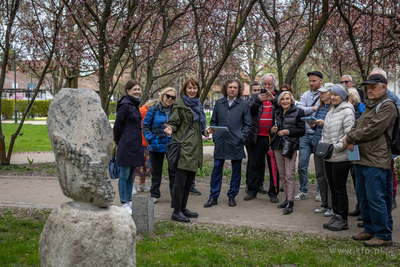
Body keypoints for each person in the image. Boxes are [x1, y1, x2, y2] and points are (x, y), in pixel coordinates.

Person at [345, 74, 396, 247]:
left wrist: (351, 138)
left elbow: (372, 129)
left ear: (383, 87)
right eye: (368, 87)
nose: (369, 90)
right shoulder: (370, 105)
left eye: (374, 87)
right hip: (360, 158)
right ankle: (369, 229)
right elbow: (358, 125)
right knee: (363, 197)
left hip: (376, 159)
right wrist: (350, 136)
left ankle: (383, 235)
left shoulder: (387, 106)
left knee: (376, 198)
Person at [164, 78, 208, 223]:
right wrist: (170, 128)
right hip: (183, 147)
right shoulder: (180, 103)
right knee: (180, 182)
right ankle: (176, 211)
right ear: (184, 89)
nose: (192, 90)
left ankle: (183, 208)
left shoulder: (197, 104)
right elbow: (174, 122)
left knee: (189, 182)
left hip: (195, 147)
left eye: (195, 88)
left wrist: (208, 131)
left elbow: (199, 127)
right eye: (190, 88)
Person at [204, 79, 251, 208]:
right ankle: (213, 197)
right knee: (217, 168)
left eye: (235, 87)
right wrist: (215, 135)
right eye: (230, 87)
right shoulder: (219, 103)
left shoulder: (243, 104)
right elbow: (213, 121)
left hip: (236, 141)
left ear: (239, 89)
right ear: (226, 88)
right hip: (221, 141)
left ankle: (232, 196)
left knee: (236, 170)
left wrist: (241, 137)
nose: (232, 89)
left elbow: (248, 124)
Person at [320, 84, 355, 231]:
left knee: (340, 189)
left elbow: (349, 135)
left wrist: (335, 147)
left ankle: (343, 219)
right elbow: (325, 132)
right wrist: (323, 145)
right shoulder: (331, 111)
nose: (333, 97)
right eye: (332, 94)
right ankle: (336, 215)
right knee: (333, 188)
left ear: (343, 96)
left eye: (336, 95)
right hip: (329, 156)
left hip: (341, 157)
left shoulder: (347, 111)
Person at [245, 73, 280, 202]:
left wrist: (274, 100)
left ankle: (273, 193)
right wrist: (259, 101)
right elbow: (249, 112)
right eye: (264, 84)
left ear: (274, 84)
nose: (266, 86)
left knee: (273, 167)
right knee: (254, 165)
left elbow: (283, 111)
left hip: (273, 138)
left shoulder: (280, 97)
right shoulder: (255, 97)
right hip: (257, 137)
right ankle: (252, 191)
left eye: (269, 84)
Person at [270, 91, 305, 214]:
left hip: (290, 146)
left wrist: (287, 131)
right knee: (283, 175)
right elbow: (271, 129)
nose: (285, 101)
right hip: (277, 145)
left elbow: (302, 131)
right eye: (283, 99)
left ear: (291, 100)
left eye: (287, 99)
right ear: (280, 101)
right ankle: (286, 198)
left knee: (289, 175)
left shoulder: (299, 112)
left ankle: (290, 201)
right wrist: (272, 130)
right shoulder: (277, 112)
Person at [113, 79, 144, 215]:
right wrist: (119, 141)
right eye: (134, 89)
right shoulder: (125, 105)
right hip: (126, 144)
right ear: (128, 91)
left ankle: (129, 201)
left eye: (138, 89)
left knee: (131, 174)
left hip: (136, 144)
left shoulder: (135, 104)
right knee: (124, 175)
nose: (137, 91)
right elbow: (117, 126)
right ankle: (123, 202)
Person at [142, 87, 177, 204]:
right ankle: (155, 194)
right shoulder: (154, 110)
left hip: (172, 145)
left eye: (173, 97)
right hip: (156, 146)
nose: (170, 99)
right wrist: (151, 139)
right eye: (168, 96)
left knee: (173, 172)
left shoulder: (176, 111)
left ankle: (174, 196)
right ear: (162, 96)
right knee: (156, 172)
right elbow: (145, 125)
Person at [296, 71, 322, 200]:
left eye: (314, 81)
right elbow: (299, 110)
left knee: (319, 167)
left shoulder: (325, 94)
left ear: (320, 81)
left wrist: (308, 108)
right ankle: (303, 190)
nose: (311, 83)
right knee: (302, 165)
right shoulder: (305, 95)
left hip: (319, 135)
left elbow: (325, 110)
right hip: (305, 135)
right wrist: (313, 108)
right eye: (310, 81)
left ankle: (320, 191)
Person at [308, 83, 333, 217]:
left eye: (324, 92)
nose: (321, 94)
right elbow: (315, 128)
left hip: (328, 146)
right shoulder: (320, 107)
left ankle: (331, 205)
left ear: (332, 93)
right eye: (321, 92)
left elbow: (335, 127)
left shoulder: (335, 108)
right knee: (320, 176)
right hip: (317, 143)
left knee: (329, 177)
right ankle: (324, 204)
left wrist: (325, 124)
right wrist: (312, 125)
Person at [245, 81, 269, 194]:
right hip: (252, 136)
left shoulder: (266, 100)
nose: (257, 93)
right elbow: (251, 110)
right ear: (251, 91)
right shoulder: (250, 101)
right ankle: (249, 184)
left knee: (262, 162)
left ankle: (260, 184)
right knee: (252, 161)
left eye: (259, 90)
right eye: (254, 90)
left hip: (264, 136)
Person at [133, 99, 159, 195]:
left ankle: (141, 184)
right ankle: (132, 185)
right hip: (140, 142)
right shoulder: (142, 111)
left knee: (144, 165)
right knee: (136, 165)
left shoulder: (148, 111)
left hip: (146, 142)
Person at [346, 88, 365, 217]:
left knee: (359, 179)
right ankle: (360, 206)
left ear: (351, 98)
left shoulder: (360, 109)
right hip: (351, 147)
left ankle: (363, 209)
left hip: (357, 148)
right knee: (355, 178)